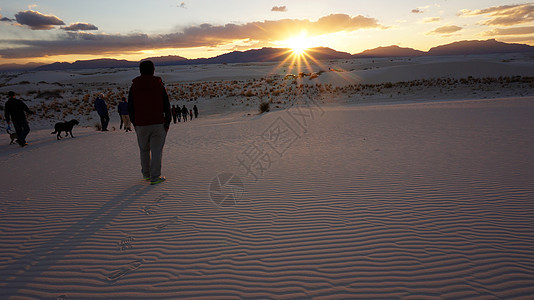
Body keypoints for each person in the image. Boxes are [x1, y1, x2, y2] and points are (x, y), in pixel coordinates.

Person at [128, 60, 171, 185]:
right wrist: (167, 122)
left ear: (140, 70)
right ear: (153, 70)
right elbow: (166, 104)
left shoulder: (134, 85)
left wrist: (135, 123)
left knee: (144, 150)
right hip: (158, 123)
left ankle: (146, 175)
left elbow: (130, 106)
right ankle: (155, 177)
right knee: (156, 151)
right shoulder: (158, 84)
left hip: (141, 124)